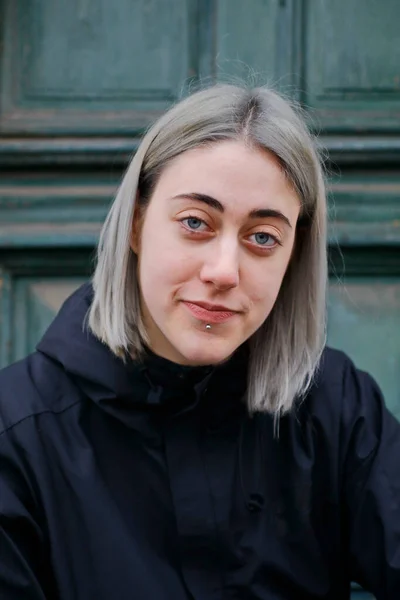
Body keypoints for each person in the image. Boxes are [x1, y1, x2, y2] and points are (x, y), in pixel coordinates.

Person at [0, 84, 399, 600]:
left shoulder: (336, 406)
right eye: (195, 223)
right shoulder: (16, 434)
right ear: (137, 224)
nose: (224, 271)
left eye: (262, 238)